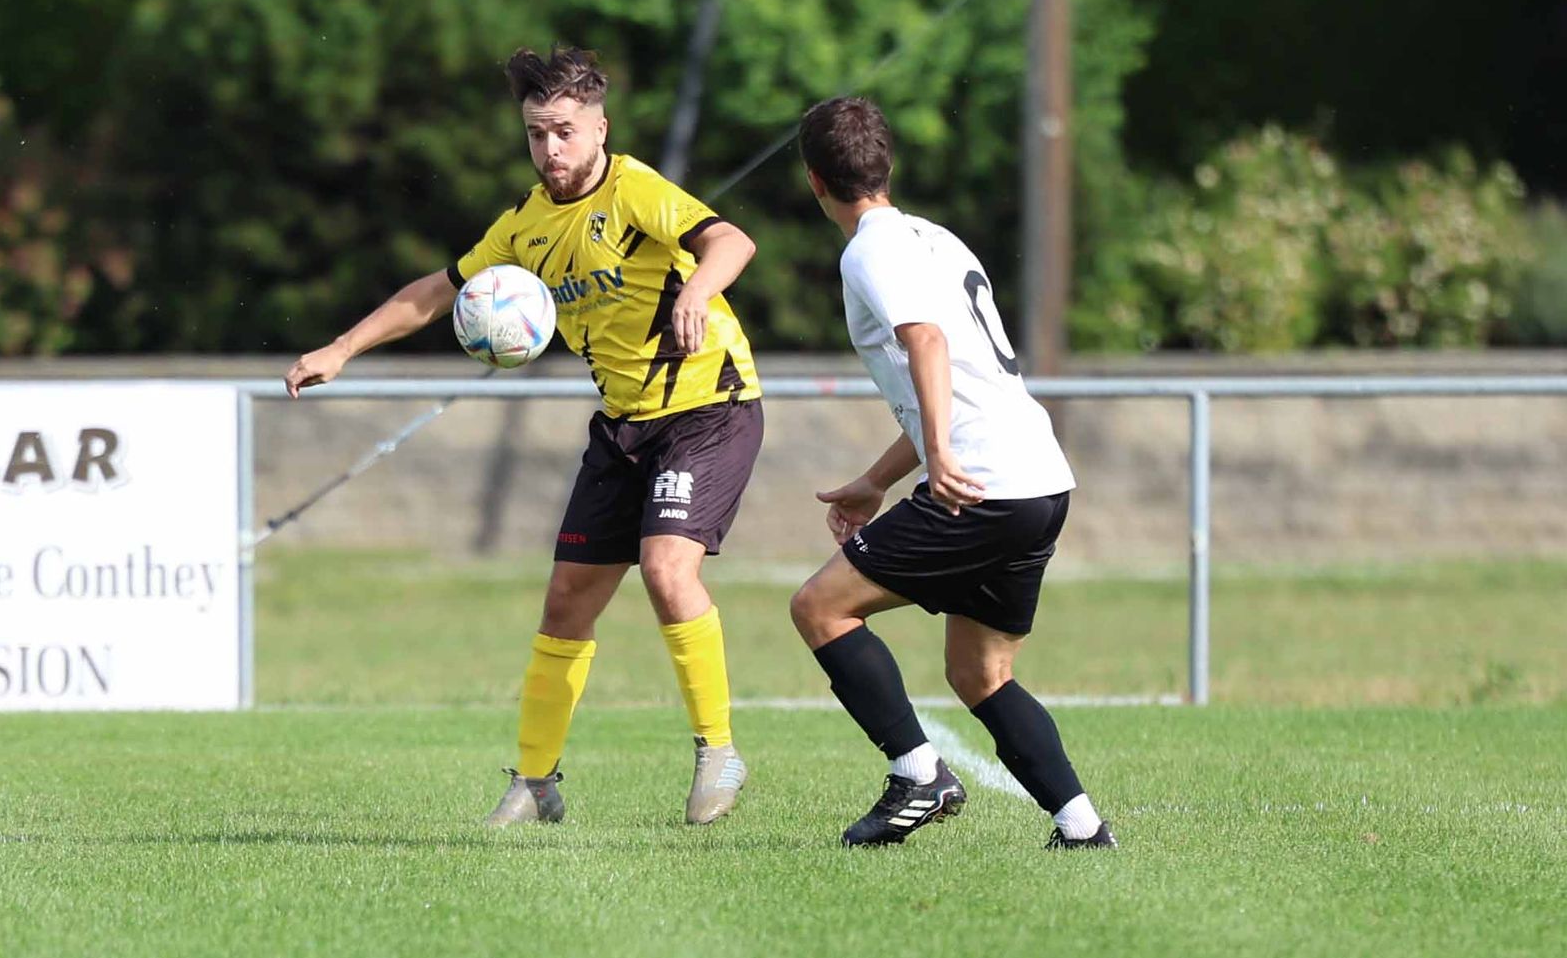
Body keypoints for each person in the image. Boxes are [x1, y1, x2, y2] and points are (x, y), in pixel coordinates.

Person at [284, 46, 764, 828]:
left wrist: (699, 291)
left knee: (665, 567)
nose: (551, 150)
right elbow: (433, 292)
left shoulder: (635, 189)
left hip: (709, 404)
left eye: (565, 132)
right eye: (537, 134)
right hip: (623, 427)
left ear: (599, 127)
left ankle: (719, 748)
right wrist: (341, 348)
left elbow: (731, 240)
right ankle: (537, 780)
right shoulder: (526, 224)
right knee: (566, 598)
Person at [787, 95, 1114, 849]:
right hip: (1038, 480)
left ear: (815, 182)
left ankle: (917, 774)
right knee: (981, 671)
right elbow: (962, 378)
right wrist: (879, 476)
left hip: (983, 484)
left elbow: (928, 344)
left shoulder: (869, 248)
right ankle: (1081, 824)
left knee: (821, 608)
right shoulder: (938, 239)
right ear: (886, 164)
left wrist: (937, 457)